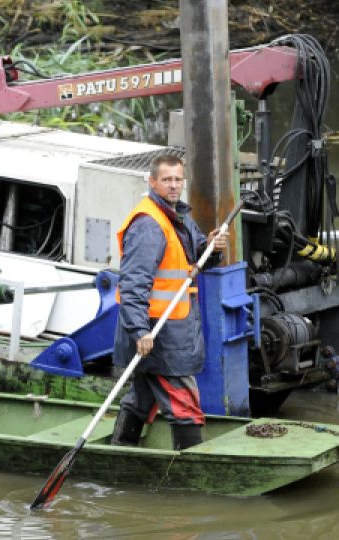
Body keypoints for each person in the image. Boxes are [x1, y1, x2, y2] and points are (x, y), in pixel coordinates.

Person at [111, 154, 229, 450]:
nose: (173, 186)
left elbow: (195, 258)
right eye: (167, 180)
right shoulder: (149, 225)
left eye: (178, 180)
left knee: (142, 397)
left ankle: (121, 450)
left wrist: (211, 248)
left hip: (171, 330)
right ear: (152, 182)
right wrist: (139, 331)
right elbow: (134, 284)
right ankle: (190, 468)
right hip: (158, 336)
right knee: (183, 402)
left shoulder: (177, 217)